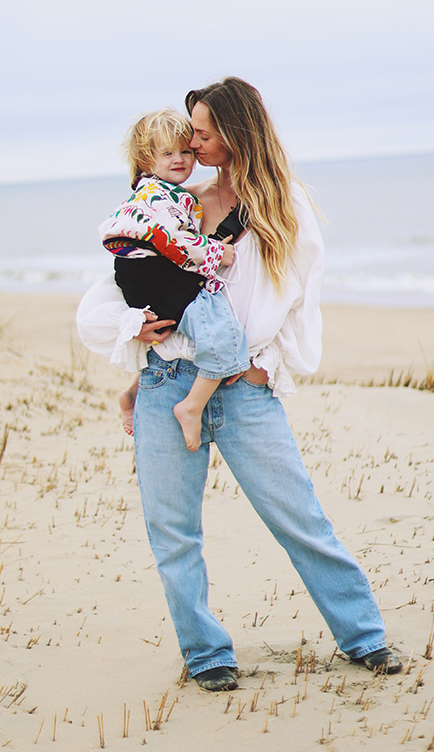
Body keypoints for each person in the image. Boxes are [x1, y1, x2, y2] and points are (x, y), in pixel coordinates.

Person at [77, 77, 401, 692]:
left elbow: (301, 305)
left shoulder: (288, 210)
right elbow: (106, 297)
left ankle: (364, 637)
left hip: (247, 389)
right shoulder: (181, 204)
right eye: (189, 134)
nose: (193, 146)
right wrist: (133, 325)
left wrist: (272, 367)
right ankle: (206, 655)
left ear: (235, 133)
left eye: (202, 133)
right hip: (168, 385)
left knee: (300, 518)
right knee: (173, 533)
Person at [99, 109, 250, 450]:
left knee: (175, 333)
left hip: (144, 275)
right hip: (150, 275)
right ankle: (191, 407)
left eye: (185, 150)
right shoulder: (158, 197)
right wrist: (215, 254)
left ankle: (132, 393)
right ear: (146, 159)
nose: (180, 159)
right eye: (167, 153)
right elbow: (174, 242)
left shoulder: (161, 191)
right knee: (225, 341)